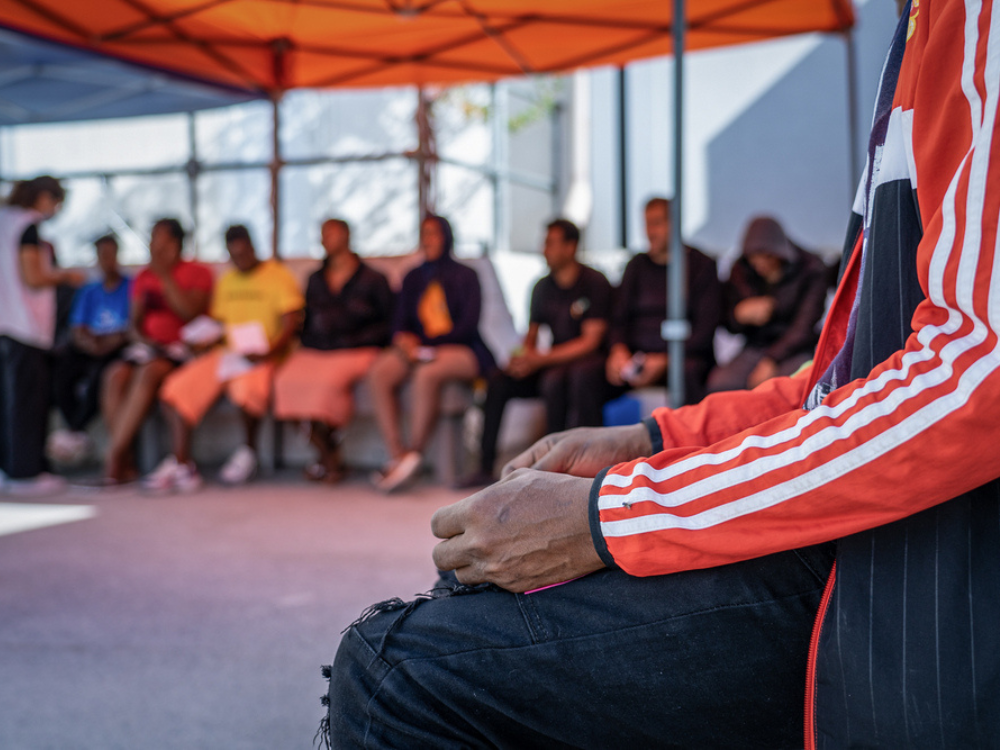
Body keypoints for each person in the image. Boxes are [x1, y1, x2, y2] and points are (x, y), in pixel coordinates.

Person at [324, 2, 1000, 747]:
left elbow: (974, 374)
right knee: (478, 574)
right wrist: (648, 439)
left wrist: (613, 515)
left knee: (397, 668)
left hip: (909, 575)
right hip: (841, 499)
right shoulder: (916, 36)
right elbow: (837, 382)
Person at [143, 225, 303, 491]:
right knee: (175, 389)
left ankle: (248, 452)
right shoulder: (227, 280)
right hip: (228, 353)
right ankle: (182, 463)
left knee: (246, 391)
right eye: (234, 255)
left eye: (244, 252)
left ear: (253, 247)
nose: (240, 259)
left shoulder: (278, 275)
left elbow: (291, 322)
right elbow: (218, 323)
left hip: (264, 355)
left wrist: (270, 352)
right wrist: (202, 340)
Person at [460, 218, 612, 487]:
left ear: (571, 246)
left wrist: (540, 359)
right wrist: (522, 360)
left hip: (588, 364)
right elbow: (531, 338)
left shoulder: (594, 282)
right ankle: (485, 466)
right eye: (545, 243)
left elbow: (590, 342)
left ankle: (562, 468)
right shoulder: (541, 287)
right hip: (551, 361)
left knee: (559, 379)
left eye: (551, 243)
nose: (545, 249)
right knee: (498, 381)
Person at [367, 214, 494, 493]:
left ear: (447, 237)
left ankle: (414, 452)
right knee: (380, 372)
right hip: (417, 348)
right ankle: (398, 454)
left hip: (461, 348)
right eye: (424, 234)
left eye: (435, 233)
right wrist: (404, 342)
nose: (429, 240)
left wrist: (425, 342)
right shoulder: (412, 277)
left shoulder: (466, 275)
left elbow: (468, 326)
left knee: (427, 373)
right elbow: (398, 322)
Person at [272, 219, 393, 484]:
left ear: (347, 236)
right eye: (322, 234)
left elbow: (388, 322)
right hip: (317, 350)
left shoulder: (374, 279)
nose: (324, 238)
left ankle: (328, 462)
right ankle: (329, 455)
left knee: (326, 385)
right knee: (284, 381)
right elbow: (306, 320)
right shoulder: (315, 279)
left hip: (357, 349)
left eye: (331, 233)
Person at [101, 218, 212, 485]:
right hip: (147, 349)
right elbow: (134, 323)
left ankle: (113, 459)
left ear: (175, 243)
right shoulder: (143, 276)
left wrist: (165, 276)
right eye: (151, 239)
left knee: (149, 373)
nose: (153, 245)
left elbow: (191, 312)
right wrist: (144, 341)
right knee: (115, 374)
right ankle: (123, 458)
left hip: (180, 351)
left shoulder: (198, 272)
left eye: (159, 239)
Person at [0, 176, 85, 495]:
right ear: (44, 198)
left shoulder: (3, 221)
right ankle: (26, 473)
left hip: (4, 325)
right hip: (24, 327)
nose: (56, 211)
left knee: (8, 403)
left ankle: (10, 468)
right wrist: (66, 275)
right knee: (27, 403)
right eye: (57, 203)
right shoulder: (27, 226)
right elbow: (33, 276)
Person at [604, 196, 721, 405]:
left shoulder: (701, 266)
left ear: (674, 224)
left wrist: (665, 360)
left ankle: (691, 438)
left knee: (688, 373)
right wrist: (618, 350)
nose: (650, 232)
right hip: (636, 357)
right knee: (584, 374)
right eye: (647, 224)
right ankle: (586, 437)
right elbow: (619, 317)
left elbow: (705, 329)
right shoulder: (636, 266)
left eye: (657, 223)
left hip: (685, 355)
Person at [707, 215, 829, 392]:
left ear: (779, 252)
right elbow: (725, 322)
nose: (759, 263)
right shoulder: (741, 270)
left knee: (785, 388)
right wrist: (739, 315)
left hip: (796, 349)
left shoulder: (811, 269)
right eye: (753, 257)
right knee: (721, 384)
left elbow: (804, 327)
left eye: (766, 256)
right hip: (755, 347)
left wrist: (771, 359)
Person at [48, 234, 132, 465]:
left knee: (102, 375)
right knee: (61, 371)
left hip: (117, 347)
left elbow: (131, 328)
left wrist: (107, 343)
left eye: (110, 253)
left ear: (117, 255)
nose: (106, 259)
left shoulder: (130, 286)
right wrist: (90, 344)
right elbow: (78, 328)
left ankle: (75, 430)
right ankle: (76, 431)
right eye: (101, 255)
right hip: (90, 346)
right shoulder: (89, 290)